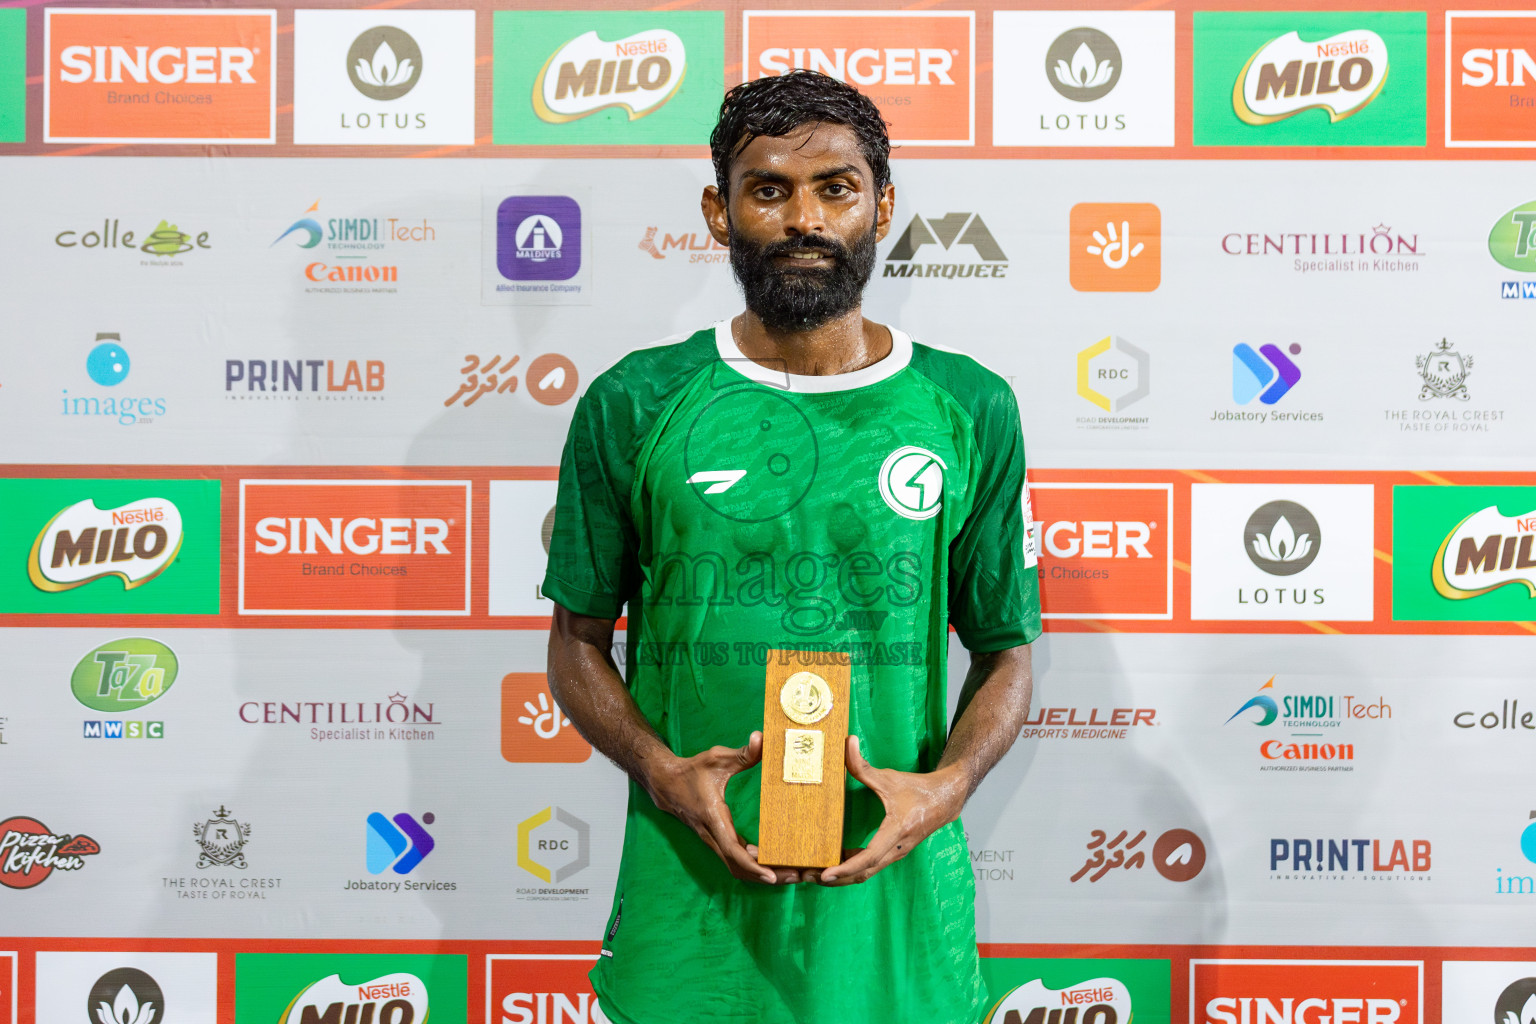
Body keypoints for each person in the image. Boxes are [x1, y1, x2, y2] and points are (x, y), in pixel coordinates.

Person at [543, 70, 1041, 1024]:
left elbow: (1006, 651)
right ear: (718, 212)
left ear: (882, 205)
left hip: (896, 931)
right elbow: (575, 643)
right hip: (688, 923)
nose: (804, 217)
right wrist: (661, 770)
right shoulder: (635, 400)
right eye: (769, 189)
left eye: (836, 188)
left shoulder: (972, 406)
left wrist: (949, 785)